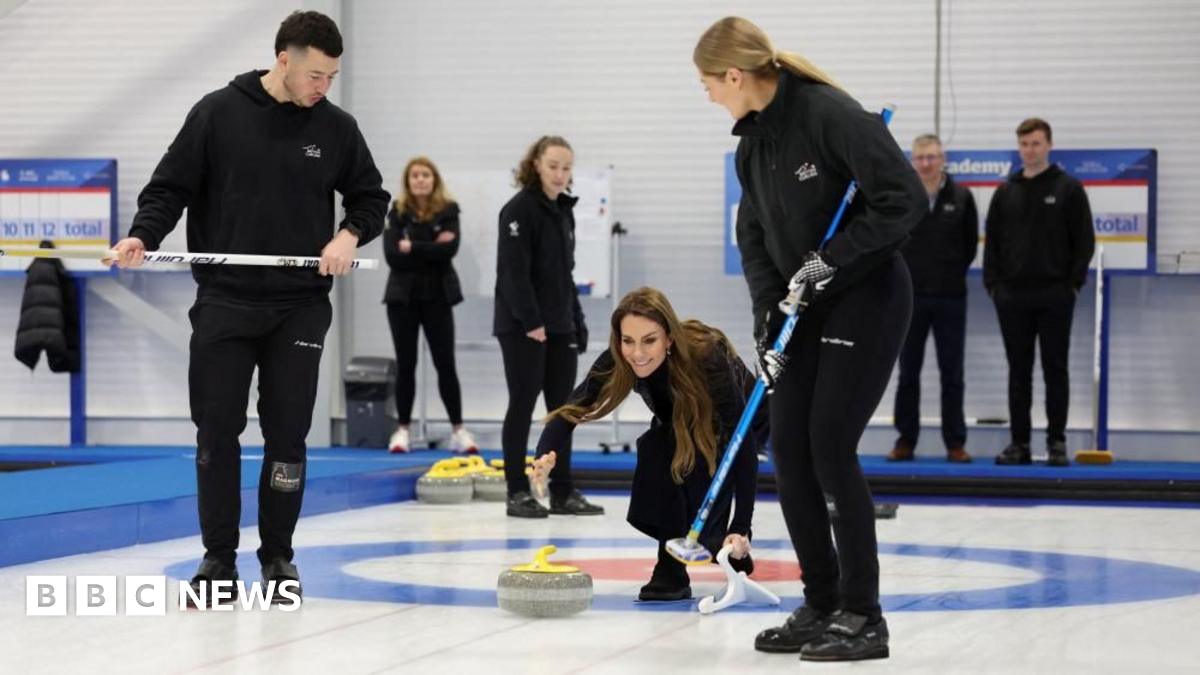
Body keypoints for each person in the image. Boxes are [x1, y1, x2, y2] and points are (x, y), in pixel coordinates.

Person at [109, 11, 390, 605]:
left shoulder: (336, 128)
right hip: (226, 300)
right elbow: (169, 189)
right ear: (282, 59)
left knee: (288, 435)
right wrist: (143, 236)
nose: (323, 87)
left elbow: (371, 197)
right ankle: (217, 559)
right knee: (217, 432)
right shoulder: (216, 112)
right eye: (316, 74)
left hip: (300, 307)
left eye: (332, 76)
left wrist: (348, 235)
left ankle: (278, 556)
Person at [695, 16, 924, 662]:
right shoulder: (751, 146)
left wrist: (836, 256)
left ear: (735, 76)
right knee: (788, 448)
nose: (708, 94)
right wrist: (769, 317)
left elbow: (903, 199)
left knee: (828, 443)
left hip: (867, 295)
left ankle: (863, 614)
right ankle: (821, 601)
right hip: (804, 309)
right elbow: (755, 240)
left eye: (708, 82)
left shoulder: (828, 114)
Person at [530, 287, 763, 601]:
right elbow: (573, 408)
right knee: (658, 450)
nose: (637, 353)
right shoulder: (619, 357)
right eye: (628, 340)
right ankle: (670, 572)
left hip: (746, 420)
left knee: (699, 473)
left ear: (668, 338)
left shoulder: (705, 356)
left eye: (649, 340)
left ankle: (726, 544)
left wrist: (742, 524)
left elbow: (741, 441)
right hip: (682, 422)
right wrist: (543, 455)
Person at [493, 135, 600, 518]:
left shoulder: (563, 211)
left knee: (564, 411)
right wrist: (532, 322)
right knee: (522, 405)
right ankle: (517, 491)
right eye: (553, 165)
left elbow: (564, 275)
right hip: (523, 327)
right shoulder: (519, 210)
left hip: (559, 326)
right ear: (536, 163)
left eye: (566, 167)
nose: (559, 174)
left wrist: (576, 320)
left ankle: (563, 490)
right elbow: (512, 274)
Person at [984, 118, 1094, 467]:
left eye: (1035, 143)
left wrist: (1072, 285)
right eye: (1024, 144)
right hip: (1012, 297)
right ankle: (1019, 444)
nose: (1029, 150)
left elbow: (1084, 242)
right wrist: (994, 286)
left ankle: (1057, 442)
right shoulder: (1006, 192)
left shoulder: (1068, 188)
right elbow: (993, 245)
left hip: (1055, 296)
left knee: (1054, 369)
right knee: (1019, 371)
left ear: (1048, 145)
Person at [890, 134, 978, 464]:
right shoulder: (902, 198)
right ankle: (905, 441)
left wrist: (949, 273)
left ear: (943, 159)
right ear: (913, 161)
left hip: (951, 298)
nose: (926, 163)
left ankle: (955, 442)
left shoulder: (962, 197)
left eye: (932, 157)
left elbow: (970, 247)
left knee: (952, 374)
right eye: (921, 158)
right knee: (907, 373)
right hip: (909, 301)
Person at [382, 157, 477, 455]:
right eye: (415, 175)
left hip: (437, 295)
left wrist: (413, 245)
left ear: (434, 179)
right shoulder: (396, 211)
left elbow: (450, 249)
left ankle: (458, 430)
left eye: (426, 175)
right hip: (402, 298)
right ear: (408, 181)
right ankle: (402, 431)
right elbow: (393, 255)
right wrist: (432, 244)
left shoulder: (448, 210)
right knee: (406, 364)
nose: (421, 180)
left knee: (445, 363)